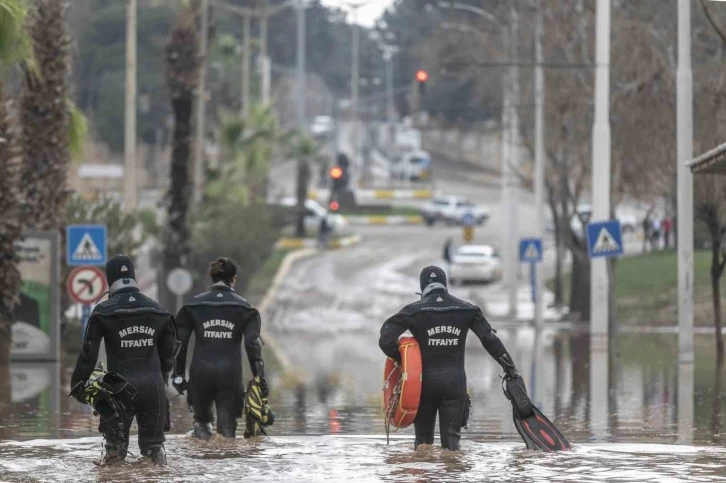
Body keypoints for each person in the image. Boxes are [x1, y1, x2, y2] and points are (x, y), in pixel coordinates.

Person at [378, 266, 520, 451]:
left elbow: (385, 340)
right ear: (445, 285)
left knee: (423, 446)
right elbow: (489, 340)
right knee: (452, 448)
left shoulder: (413, 312)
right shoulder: (467, 309)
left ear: (422, 288)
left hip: (423, 387)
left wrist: (406, 360)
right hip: (455, 385)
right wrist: (510, 369)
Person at [70, 255, 177, 465]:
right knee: (154, 452)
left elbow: (88, 355)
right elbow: (168, 354)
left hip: (117, 391)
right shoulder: (159, 310)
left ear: (109, 280)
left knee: (114, 454)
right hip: (152, 389)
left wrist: (78, 386)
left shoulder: (102, 312)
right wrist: (162, 380)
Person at [173, 257, 267, 439]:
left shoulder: (194, 306)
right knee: (226, 434)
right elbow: (251, 345)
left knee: (201, 427)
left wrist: (178, 375)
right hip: (230, 375)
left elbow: (179, 343)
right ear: (234, 279)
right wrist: (258, 377)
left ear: (212, 278)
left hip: (200, 374)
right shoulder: (243, 307)